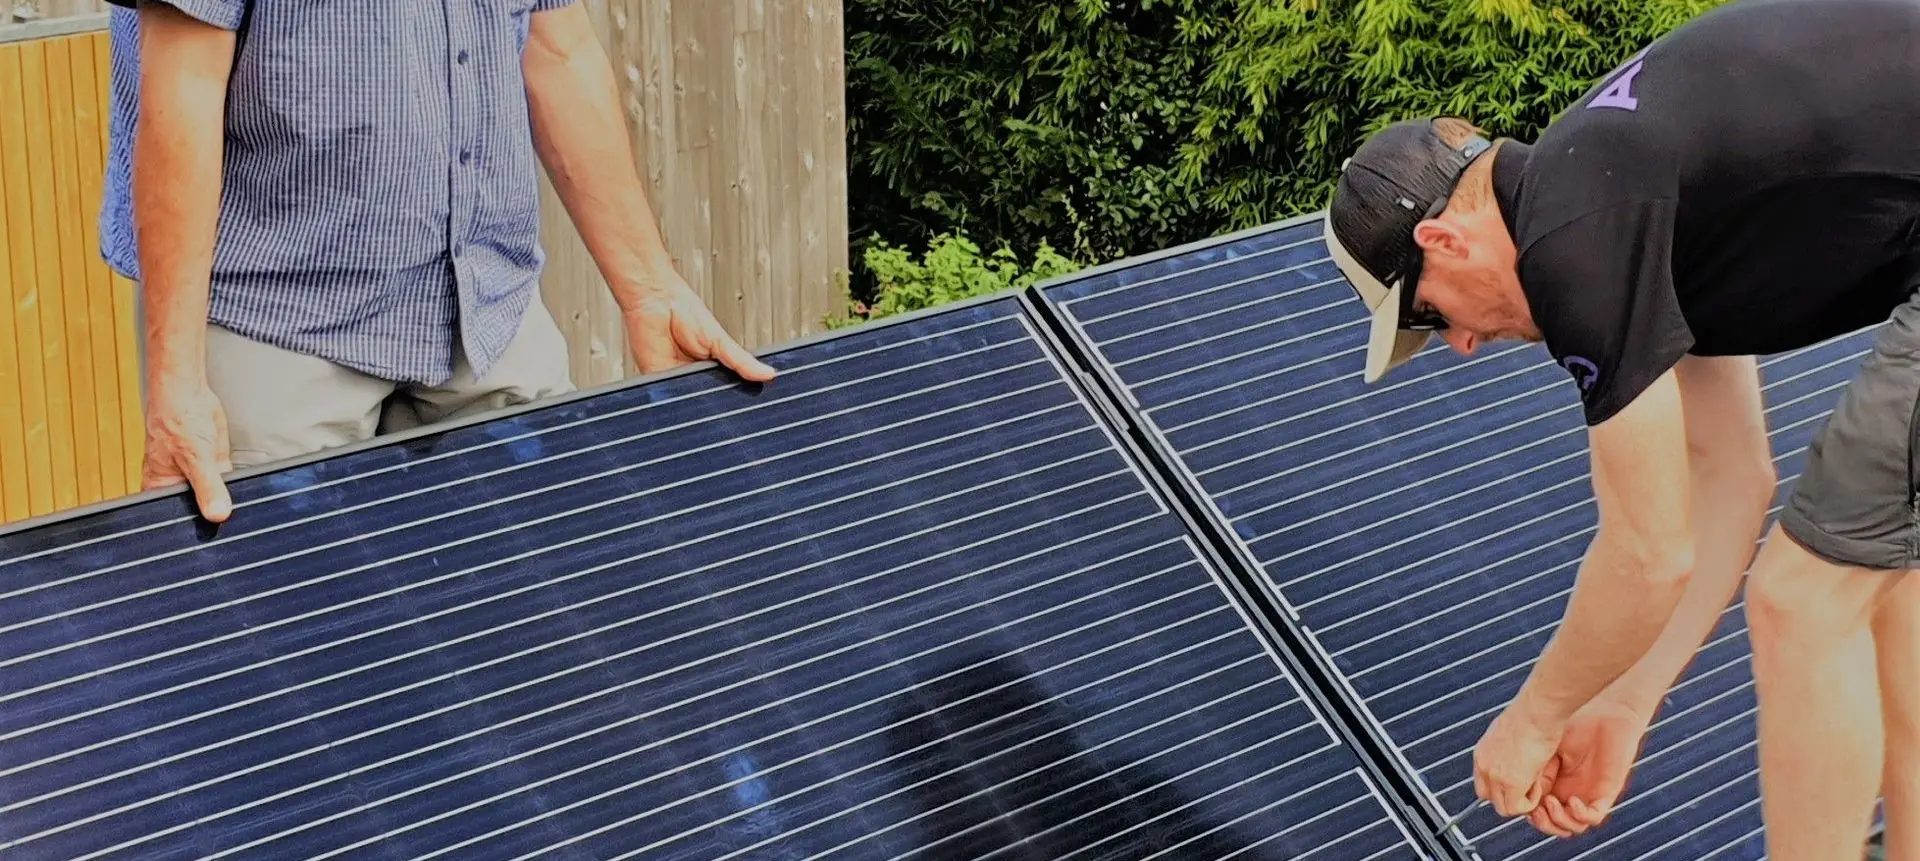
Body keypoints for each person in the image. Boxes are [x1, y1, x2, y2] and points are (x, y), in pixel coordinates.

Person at [1323, 0, 1920, 857]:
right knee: (1884, 584)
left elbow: (1648, 553)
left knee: (1802, 600)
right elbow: (1731, 479)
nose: (1459, 344)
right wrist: (1625, 702)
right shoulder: (1617, 195)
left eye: (1427, 314)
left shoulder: (1573, 238)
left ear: (1442, 239)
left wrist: (1534, 719)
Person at [99, 0, 776, 525]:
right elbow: (183, 86)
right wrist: (177, 388)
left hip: (485, 306)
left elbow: (555, 44)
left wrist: (649, 289)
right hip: (277, 323)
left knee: (543, 603)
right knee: (297, 631)